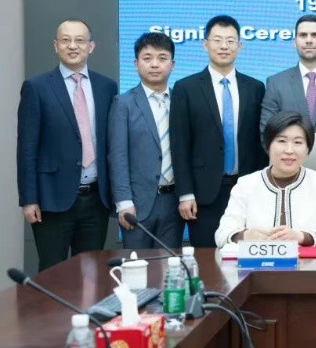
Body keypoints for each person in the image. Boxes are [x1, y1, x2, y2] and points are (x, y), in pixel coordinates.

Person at [17, 19, 118, 271]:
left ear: (91, 46)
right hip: (52, 199)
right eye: (66, 40)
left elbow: (111, 144)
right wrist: (29, 199)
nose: (73, 46)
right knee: (53, 273)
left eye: (80, 40)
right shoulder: (37, 87)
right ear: (56, 45)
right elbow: (27, 148)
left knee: (92, 272)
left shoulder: (107, 87)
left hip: (96, 200)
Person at [171, 15, 267, 248]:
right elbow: (180, 145)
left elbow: (260, 143)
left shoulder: (255, 87)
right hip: (204, 194)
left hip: (247, 189)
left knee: (247, 255)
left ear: (239, 46)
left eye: (230, 41)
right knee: (207, 258)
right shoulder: (186, 88)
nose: (224, 46)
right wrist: (185, 193)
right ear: (206, 44)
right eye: (217, 40)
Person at [215, 111, 316, 247]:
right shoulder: (246, 184)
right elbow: (222, 234)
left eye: (298, 142)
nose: (289, 150)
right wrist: (246, 236)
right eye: (281, 141)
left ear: (307, 148)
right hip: (259, 260)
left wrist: (301, 237)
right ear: (268, 145)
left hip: (306, 260)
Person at [108, 32, 184, 249]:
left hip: (174, 202)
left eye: (162, 58)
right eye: (147, 58)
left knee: (169, 265)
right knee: (137, 266)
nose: (155, 64)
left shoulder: (182, 101)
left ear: (172, 64)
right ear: (136, 64)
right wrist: (124, 202)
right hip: (137, 204)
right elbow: (118, 156)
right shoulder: (123, 103)